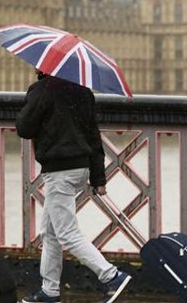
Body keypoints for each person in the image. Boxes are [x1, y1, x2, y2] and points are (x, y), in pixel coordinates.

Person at [16, 70, 132, 303]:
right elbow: (93, 136)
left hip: (59, 170)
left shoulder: (42, 90)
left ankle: (111, 275)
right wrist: (98, 178)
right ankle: (49, 291)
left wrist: (32, 97)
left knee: (67, 233)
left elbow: (24, 128)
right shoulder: (83, 91)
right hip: (81, 168)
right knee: (49, 233)